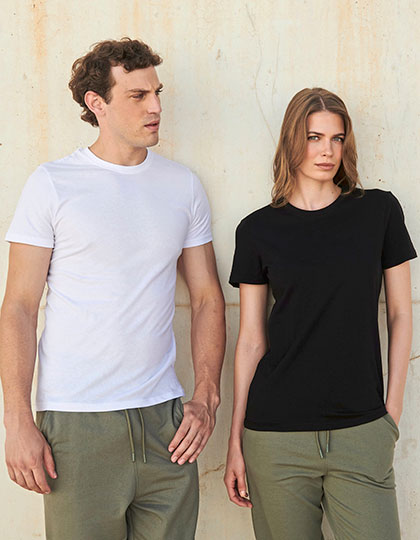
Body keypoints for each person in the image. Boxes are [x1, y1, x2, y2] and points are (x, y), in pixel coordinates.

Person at [0, 37, 225, 540]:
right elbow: (18, 307)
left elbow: (208, 297)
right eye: (138, 95)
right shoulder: (52, 184)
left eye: (157, 93)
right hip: (76, 424)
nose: (156, 107)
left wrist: (207, 395)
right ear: (96, 103)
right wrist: (17, 421)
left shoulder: (182, 185)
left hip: (166, 424)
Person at [224, 87, 416, 540]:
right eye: (314, 137)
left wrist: (390, 414)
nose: (327, 150)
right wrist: (235, 440)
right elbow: (251, 340)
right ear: (292, 141)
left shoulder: (378, 212)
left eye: (337, 138)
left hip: (361, 430)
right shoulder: (257, 230)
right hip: (275, 438)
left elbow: (401, 315)